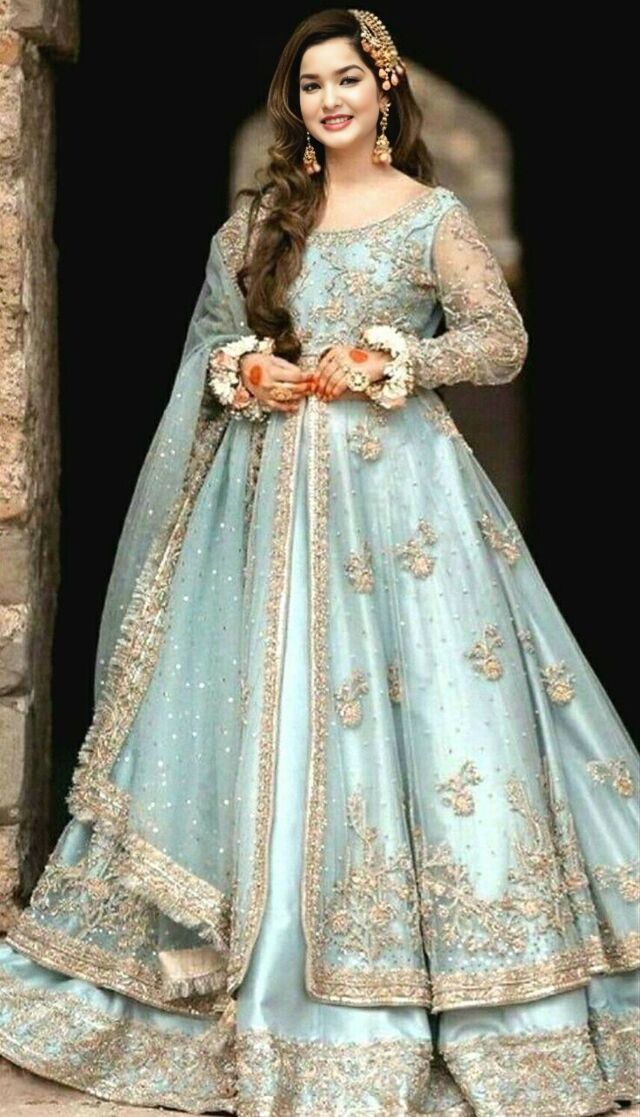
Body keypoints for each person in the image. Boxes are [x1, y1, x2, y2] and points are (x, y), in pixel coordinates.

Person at [0, 8, 638, 1115]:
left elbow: (501, 342)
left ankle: (454, 986)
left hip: (406, 510)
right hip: (262, 509)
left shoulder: (430, 216)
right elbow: (209, 344)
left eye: (347, 79)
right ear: (292, 104)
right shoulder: (260, 221)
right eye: (310, 85)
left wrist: (396, 357)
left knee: (439, 714)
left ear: (385, 90)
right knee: (266, 711)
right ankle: (240, 972)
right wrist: (247, 369)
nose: (330, 100)